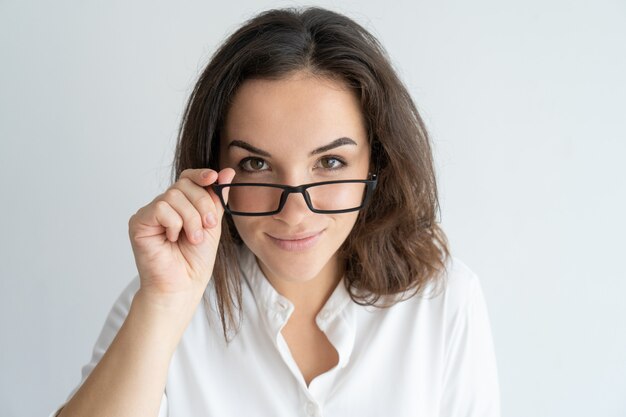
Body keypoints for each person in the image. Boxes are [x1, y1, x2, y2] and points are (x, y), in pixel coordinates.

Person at [51, 6, 500, 417]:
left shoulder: (443, 303)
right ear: (215, 168)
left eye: (330, 163)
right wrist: (164, 304)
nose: (294, 213)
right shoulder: (163, 300)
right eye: (256, 165)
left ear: (376, 160)